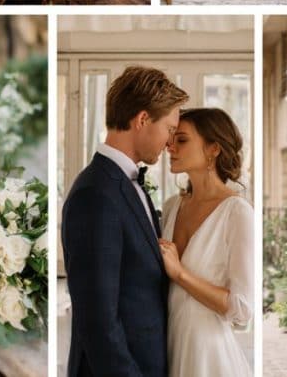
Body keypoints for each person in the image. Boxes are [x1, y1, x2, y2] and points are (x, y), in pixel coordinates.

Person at [62, 66, 189, 376]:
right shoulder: (95, 194)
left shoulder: (125, 183)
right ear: (142, 120)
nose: (170, 142)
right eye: (170, 129)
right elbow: (98, 322)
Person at [159, 108, 253, 377]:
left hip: (209, 357)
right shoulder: (171, 206)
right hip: (168, 346)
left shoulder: (237, 213)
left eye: (182, 140)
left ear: (213, 148)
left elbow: (242, 309)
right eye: (171, 139)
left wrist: (180, 273)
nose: (170, 147)